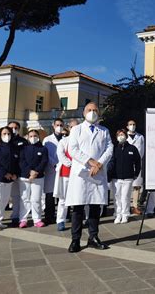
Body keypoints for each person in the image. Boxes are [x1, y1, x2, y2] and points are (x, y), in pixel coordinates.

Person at [66, 102, 113, 252]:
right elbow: (72, 149)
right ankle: (75, 240)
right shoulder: (77, 130)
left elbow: (109, 148)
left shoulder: (104, 130)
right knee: (78, 207)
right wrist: (90, 162)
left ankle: (93, 237)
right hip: (81, 173)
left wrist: (99, 164)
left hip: (97, 173)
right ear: (83, 112)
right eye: (89, 110)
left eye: (95, 110)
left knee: (95, 206)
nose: (92, 112)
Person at [108, 129, 141, 224]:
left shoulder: (132, 148)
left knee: (125, 197)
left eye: (122, 134)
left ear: (126, 136)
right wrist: (109, 175)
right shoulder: (114, 148)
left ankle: (125, 214)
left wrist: (136, 173)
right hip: (116, 177)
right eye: (119, 135)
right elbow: (110, 162)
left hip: (128, 177)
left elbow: (138, 162)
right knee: (117, 197)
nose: (121, 136)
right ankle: (118, 214)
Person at [18, 130, 48, 228]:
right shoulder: (23, 148)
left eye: (35, 135)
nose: (33, 137)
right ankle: (23, 219)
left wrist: (36, 172)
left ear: (38, 136)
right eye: (31, 136)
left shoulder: (43, 149)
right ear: (27, 137)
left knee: (36, 199)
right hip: (24, 177)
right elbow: (21, 161)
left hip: (38, 177)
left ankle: (37, 219)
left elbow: (44, 161)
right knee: (24, 199)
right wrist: (29, 172)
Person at [53, 119, 79, 231]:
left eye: (76, 126)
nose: (74, 129)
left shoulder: (81, 141)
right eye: (72, 127)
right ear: (68, 128)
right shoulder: (64, 141)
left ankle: (78, 220)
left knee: (79, 199)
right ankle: (60, 220)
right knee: (63, 199)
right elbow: (60, 154)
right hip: (66, 173)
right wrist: (70, 164)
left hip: (78, 174)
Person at [43, 118, 65, 225]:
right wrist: (55, 164)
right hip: (51, 169)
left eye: (61, 125)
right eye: (57, 124)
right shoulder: (47, 139)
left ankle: (63, 216)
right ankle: (49, 216)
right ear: (53, 125)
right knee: (50, 195)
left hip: (63, 169)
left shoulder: (66, 139)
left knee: (62, 194)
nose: (59, 126)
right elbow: (46, 154)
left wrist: (62, 164)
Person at [7, 121, 27, 227]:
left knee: (22, 196)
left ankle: (19, 216)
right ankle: (14, 215)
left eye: (16, 128)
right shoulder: (5, 140)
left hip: (21, 172)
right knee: (12, 196)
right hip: (9, 173)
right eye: (11, 127)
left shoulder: (23, 141)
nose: (13, 129)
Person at [127, 120, 145, 216]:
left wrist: (137, 160)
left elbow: (142, 150)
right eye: (130, 124)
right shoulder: (124, 137)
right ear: (127, 126)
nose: (132, 126)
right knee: (126, 186)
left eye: (134, 124)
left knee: (136, 186)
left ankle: (135, 206)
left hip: (138, 163)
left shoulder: (141, 137)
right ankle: (126, 207)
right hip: (126, 163)